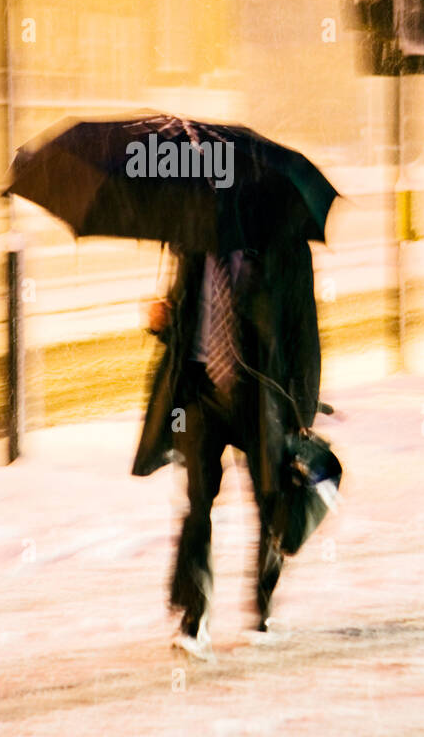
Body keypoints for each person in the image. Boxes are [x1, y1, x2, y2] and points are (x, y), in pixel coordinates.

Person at [132, 232, 322, 659]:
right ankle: (193, 620)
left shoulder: (283, 246)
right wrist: (162, 321)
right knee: (197, 504)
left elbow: (303, 330)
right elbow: (184, 320)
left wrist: (301, 411)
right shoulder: (189, 243)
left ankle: (261, 611)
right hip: (201, 394)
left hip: (261, 394)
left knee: (271, 500)